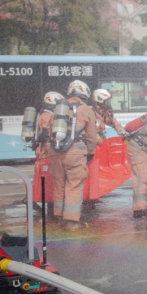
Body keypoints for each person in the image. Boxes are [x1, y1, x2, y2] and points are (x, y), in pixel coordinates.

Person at [48, 80, 97, 230]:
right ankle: (71, 221)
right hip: (75, 152)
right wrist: (90, 151)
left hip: (56, 152)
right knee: (73, 184)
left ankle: (57, 215)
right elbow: (91, 135)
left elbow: (50, 130)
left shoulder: (58, 108)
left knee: (59, 184)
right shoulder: (86, 110)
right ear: (85, 93)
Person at [34, 91, 64, 161]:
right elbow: (45, 133)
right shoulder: (47, 115)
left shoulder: (45, 113)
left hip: (44, 148)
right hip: (46, 149)